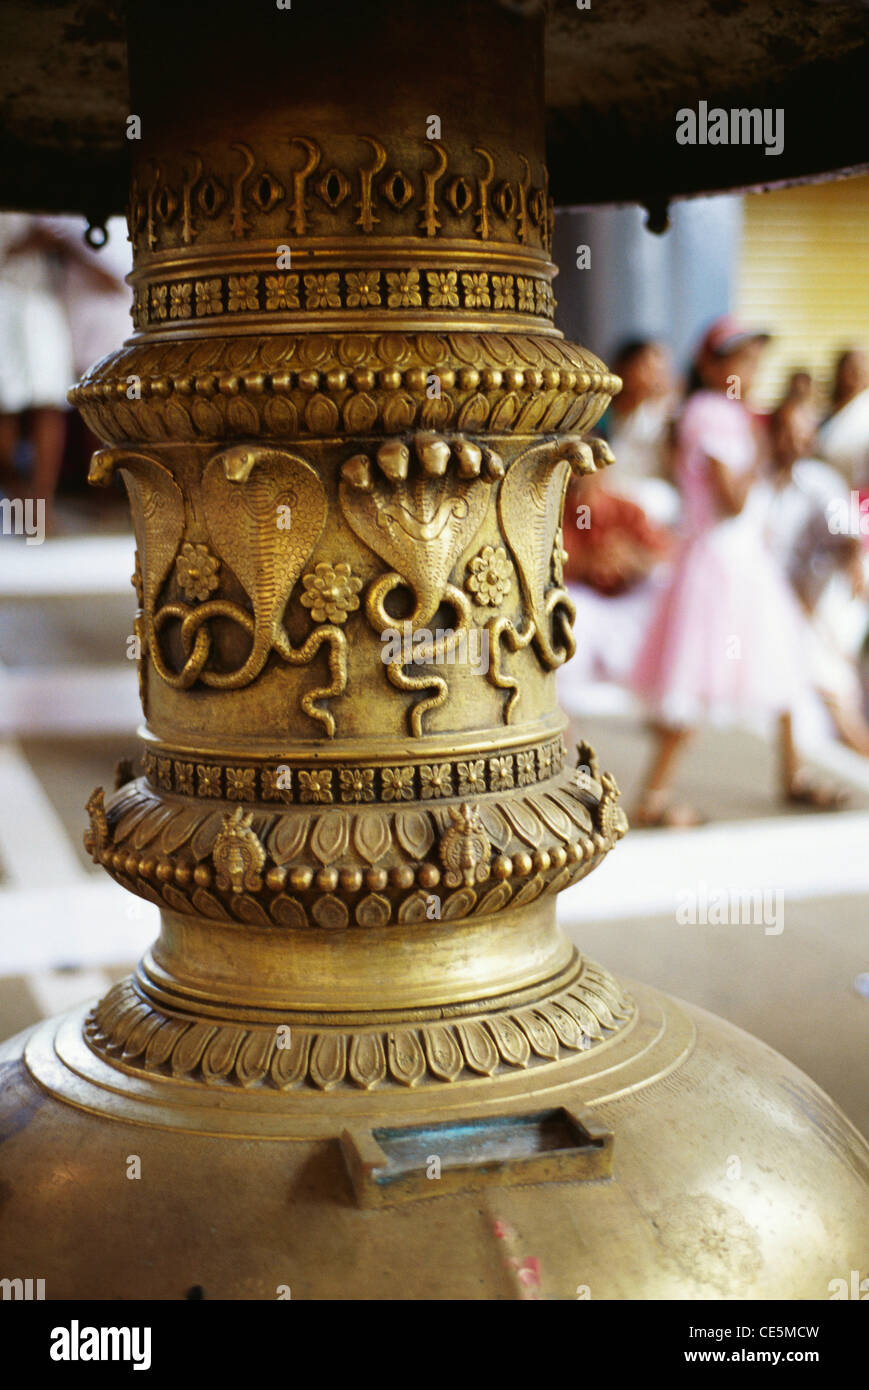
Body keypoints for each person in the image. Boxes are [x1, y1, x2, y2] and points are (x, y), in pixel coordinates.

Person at [629, 315, 845, 827]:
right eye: (740, 358)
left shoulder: (724, 413)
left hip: (739, 559)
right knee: (696, 678)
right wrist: (768, 447)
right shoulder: (712, 414)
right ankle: (654, 795)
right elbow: (733, 499)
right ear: (711, 365)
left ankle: (792, 773)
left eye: (753, 358)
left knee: (783, 662)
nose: (749, 369)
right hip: (722, 562)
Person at [763, 398, 869, 754]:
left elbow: (850, 537)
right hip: (771, 606)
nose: (794, 441)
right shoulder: (757, 481)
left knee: (826, 674)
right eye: (787, 432)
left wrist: (855, 570)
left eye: (802, 434)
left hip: (813, 601)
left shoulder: (820, 482)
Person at [816, 347, 869, 490]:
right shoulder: (826, 413)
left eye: (861, 367)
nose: (857, 372)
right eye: (851, 367)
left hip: (859, 490)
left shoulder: (865, 408)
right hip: (829, 487)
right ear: (839, 372)